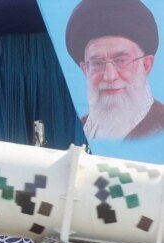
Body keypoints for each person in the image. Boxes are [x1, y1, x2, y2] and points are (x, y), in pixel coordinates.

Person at [65, 0, 164, 140]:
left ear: (146, 65)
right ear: (85, 70)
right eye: (97, 63)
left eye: (121, 61)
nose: (109, 76)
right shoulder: (81, 129)